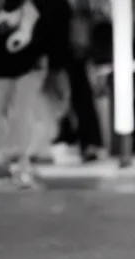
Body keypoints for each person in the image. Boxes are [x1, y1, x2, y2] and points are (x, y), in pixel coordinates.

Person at [0, 0, 70, 189]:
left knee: (21, 112)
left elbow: (52, 18)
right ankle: (6, 158)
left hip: (29, 61)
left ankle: (20, 163)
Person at [53, 5, 103, 164]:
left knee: (78, 99)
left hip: (69, 52)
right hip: (67, 51)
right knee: (78, 100)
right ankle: (85, 142)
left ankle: (84, 142)